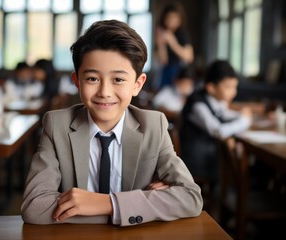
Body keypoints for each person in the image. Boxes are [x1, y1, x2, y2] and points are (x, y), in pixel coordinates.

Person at [21, 20, 202, 226]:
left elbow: (191, 198)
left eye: (118, 80)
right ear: (77, 82)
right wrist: (140, 203)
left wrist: (108, 204)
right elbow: (35, 208)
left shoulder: (154, 125)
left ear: (137, 84)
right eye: (92, 79)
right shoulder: (57, 125)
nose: (105, 93)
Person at [179, 60, 252, 184]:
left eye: (235, 87)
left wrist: (240, 115)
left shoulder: (217, 100)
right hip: (194, 162)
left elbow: (223, 114)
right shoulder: (198, 104)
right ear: (211, 87)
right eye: (228, 87)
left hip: (209, 158)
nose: (234, 92)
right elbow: (217, 131)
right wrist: (244, 121)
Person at [154, 3, 194, 89]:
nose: (172, 20)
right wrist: (161, 44)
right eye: (169, 17)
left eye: (175, 17)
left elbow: (189, 57)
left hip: (180, 74)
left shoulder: (182, 33)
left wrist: (172, 42)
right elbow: (163, 61)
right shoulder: (161, 33)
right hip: (166, 73)